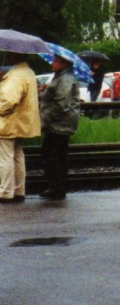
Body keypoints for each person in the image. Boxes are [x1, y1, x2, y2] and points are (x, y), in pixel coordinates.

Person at [0, 50, 42, 203]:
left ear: (17, 55)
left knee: (5, 158)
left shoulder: (16, 75)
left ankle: (5, 192)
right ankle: (19, 190)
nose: (8, 56)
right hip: (21, 122)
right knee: (18, 156)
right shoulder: (28, 72)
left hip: (9, 122)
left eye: (10, 54)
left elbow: (7, 100)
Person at [39, 52, 81, 200]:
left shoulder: (65, 79)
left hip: (59, 123)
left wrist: (46, 118)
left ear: (64, 64)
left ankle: (56, 187)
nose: (52, 63)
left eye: (55, 61)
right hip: (64, 122)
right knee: (59, 154)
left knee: (49, 153)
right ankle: (59, 186)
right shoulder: (61, 77)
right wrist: (45, 91)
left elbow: (61, 103)